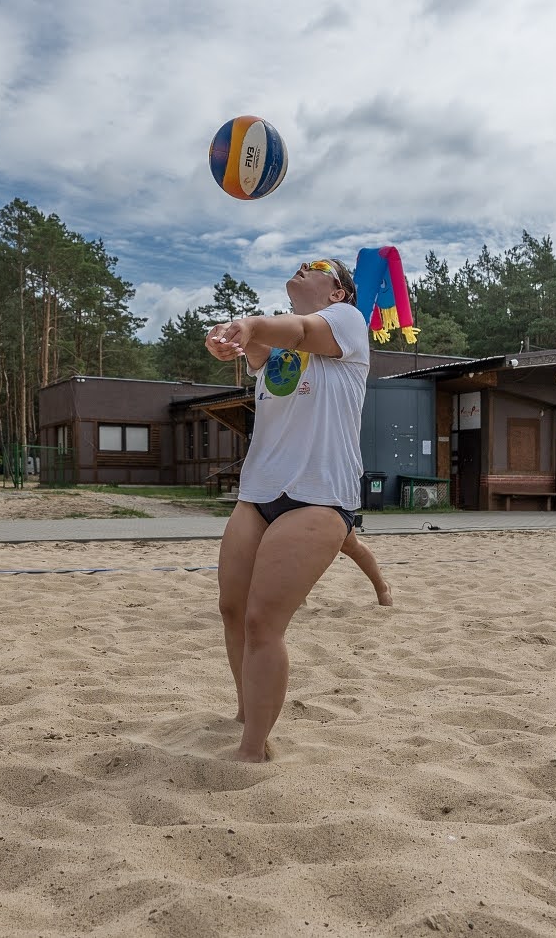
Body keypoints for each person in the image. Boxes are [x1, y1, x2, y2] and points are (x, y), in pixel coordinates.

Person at [205, 257, 372, 762]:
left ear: (338, 291)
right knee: (233, 611)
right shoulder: (281, 345)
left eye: (316, 266)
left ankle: (253, 749)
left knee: (263, 622)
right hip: (259, 492)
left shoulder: (347, 321)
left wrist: (250, 323)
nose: (302, 267)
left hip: (318, 497)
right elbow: (257, 348)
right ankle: (247, 710)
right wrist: (226, 339)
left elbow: (298, 331)